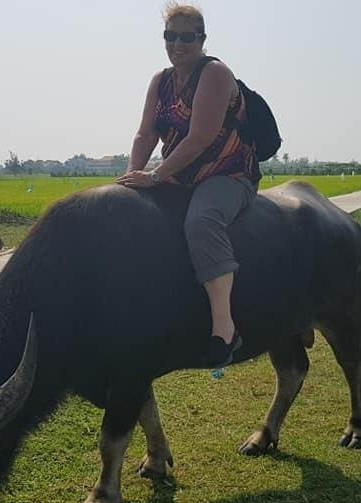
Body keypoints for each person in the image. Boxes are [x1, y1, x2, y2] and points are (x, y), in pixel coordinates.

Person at [116, 4, 261, 368]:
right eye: (171, 36)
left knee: (202, 220)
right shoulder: (161, 81)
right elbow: (146, 132)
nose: (178, 44)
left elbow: (200, 137)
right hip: (180, 176)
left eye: (186, 37)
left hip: (226, 173)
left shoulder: (215, 74)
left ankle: (224, 328)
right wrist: (132, 174)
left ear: (202, 39)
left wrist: (154, 176)